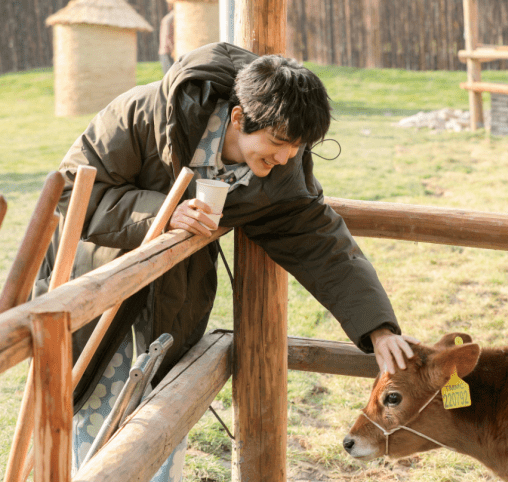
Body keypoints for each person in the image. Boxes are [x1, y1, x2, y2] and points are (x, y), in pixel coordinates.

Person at [36, 42, 416, 479]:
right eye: (276, 143)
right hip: (100, 285)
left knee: (163, 416)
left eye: (295, 147)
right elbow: (70, 191)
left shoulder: (282, 167)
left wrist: (378, 327)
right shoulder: (145, 113)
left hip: (175, 298)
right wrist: (164, 212)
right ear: (239, 117)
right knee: (98, 412)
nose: (284, 158)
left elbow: (321, 242)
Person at [158, 5, 174, 75]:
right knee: (172, 75)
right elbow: (168, 36)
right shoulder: (173, 18)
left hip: (163, 51)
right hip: (168, 51)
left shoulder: (167, 17)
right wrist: (173, 50)